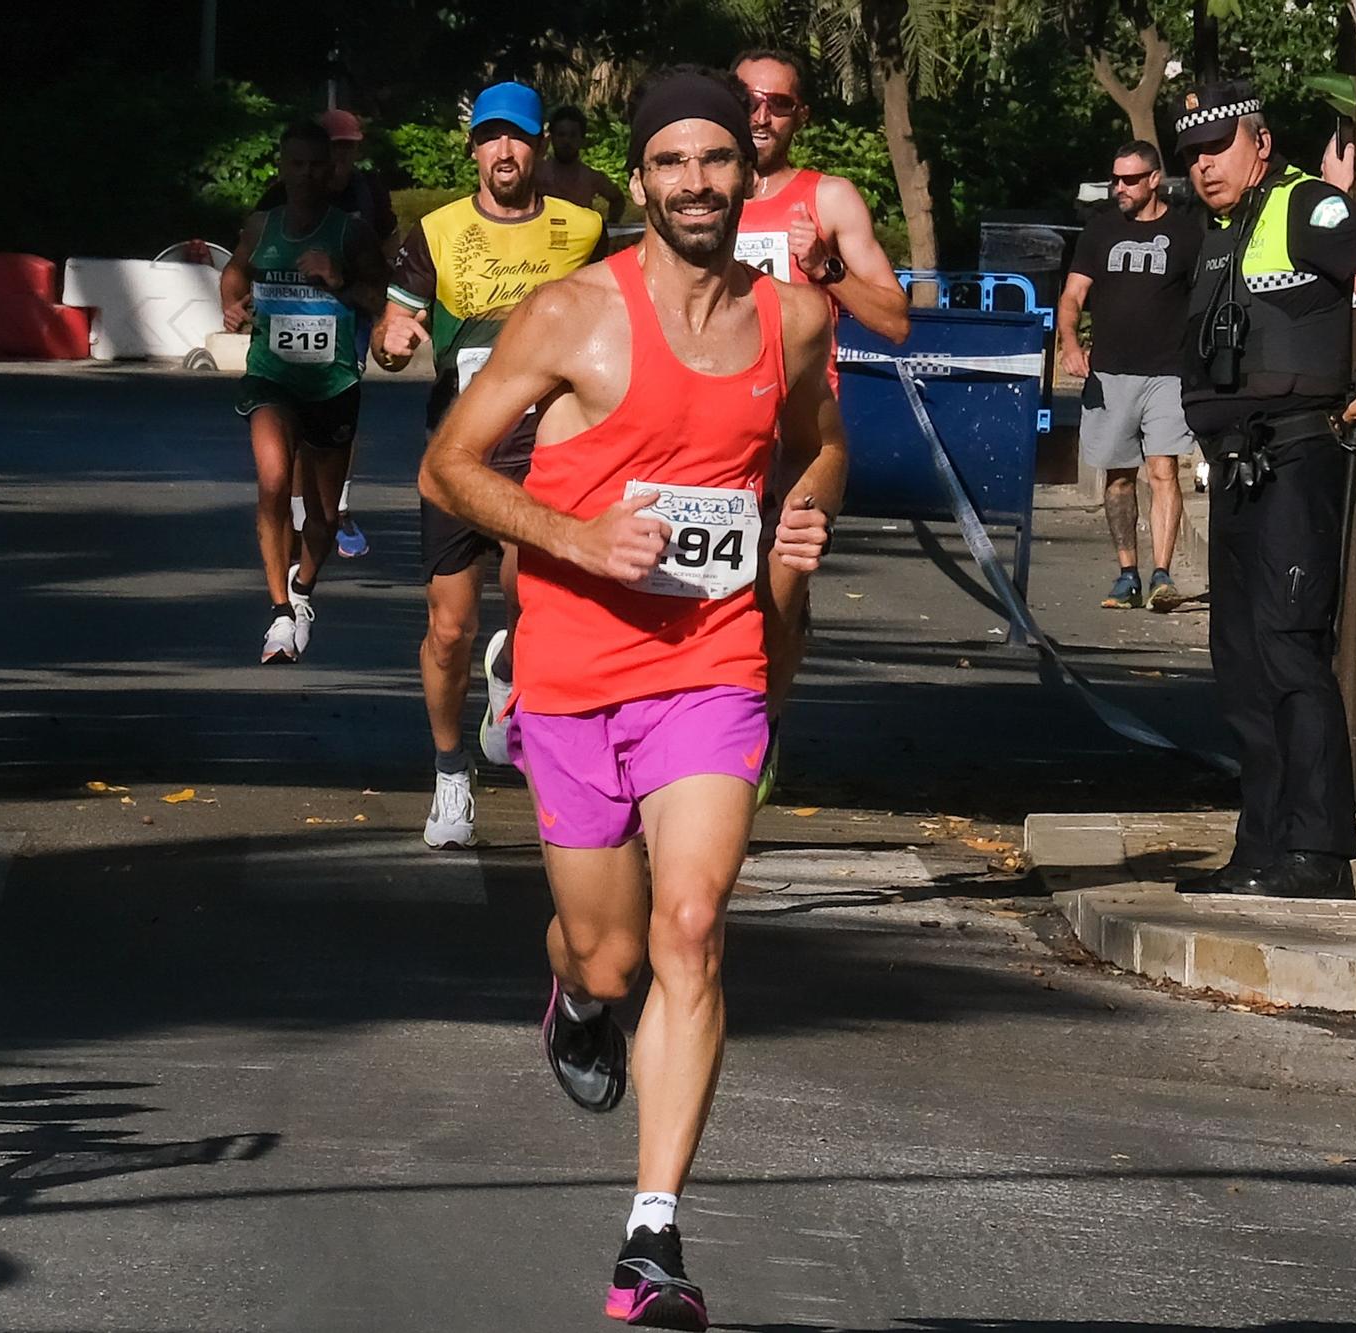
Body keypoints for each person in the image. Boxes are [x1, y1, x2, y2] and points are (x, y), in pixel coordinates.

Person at [421, 66, 843, 1330]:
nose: (696, 183)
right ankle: (574, 994)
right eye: (670, 163)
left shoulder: (795, 321)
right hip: (570, 671)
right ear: (640, 178)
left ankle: (649, 1236)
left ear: (744, 172)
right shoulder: (569, 314)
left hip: (710, 666)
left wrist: (795, 522)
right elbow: (450, 468)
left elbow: (817, 442)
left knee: (692, 923)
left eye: (716, 159)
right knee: (608, 949)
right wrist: (574, 534)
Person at [1169, 80, 1356, 900]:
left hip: (1295, 458)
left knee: (1287, 647)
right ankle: (1262, 845)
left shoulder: (1304, 205)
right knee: (1240, 660)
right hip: (1236, 467)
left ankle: (1315, 851)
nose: (1204, 167)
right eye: (1193, 156)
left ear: (1260, 143)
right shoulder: (1218, 231)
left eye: (1217, 149)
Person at [372, 82, 605, 849]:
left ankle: (514, 675)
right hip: (459, 447)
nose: (506, 153)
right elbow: (393, 324)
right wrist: (391, 341)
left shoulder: (583, 229)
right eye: (492, 139)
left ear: (539, 146)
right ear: (473, 148)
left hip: (547, 446)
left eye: (520, 138)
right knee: (448, 630)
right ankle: (449, 772)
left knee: (531, 591)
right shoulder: (432, 232)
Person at [729, 48, 909, 797]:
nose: (760, 116)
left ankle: (761, 726)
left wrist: (825, 269)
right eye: (747, 99)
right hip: (708, 430)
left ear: (801, 115)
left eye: (778, 104)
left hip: (801, 435)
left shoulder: (826, 200)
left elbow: (897, 319)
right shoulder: (699, 189)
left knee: (778, 591)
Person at [221, 121, 388, 664]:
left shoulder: (350, 232)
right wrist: (231, 303)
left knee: (321, 513)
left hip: (332, 381)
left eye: (317, 164)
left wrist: (339, 280)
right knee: (272, 482)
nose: (307, 174)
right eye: (296, 164)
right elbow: (234, 271)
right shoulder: (262, 225)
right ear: (282, 167)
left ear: (331, 170)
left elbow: (379, 297)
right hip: (272, 375)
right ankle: (277, 612)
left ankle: (303, 590)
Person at [1059, 140, 1204, 612]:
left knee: (1164, 471)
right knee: (1118, 477)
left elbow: (1203, 298)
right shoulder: (1099, 231)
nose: (1119, 188)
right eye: (1115, 180)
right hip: (1110, 374)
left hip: (1168, 372)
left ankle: (1162, 576)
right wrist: (1071, 342)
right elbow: (1073, 296)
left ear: (1154, 179)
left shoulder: (1187, 233)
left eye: (1129, 180)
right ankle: (1128, 574)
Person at [253, 108, 394, 561]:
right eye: (334, 148)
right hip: (285, 325)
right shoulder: (278, 196)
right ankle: (297, 510)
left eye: (348, 149)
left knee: (335, 418)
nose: (339, 159)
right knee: (289, 419)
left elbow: (386, 244)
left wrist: (357, 279)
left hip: (346, 317)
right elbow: (250, 255)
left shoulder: (367, 191)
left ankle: (338, 504)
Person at [536, 104, 627, 226]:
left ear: (581, 139)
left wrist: (609, 226)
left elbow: (617, 199)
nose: (567, 141)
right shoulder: (537, 174)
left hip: (580, 240)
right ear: (552, 138)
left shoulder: (591, 178)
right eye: (561, 135)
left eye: (573, 135)